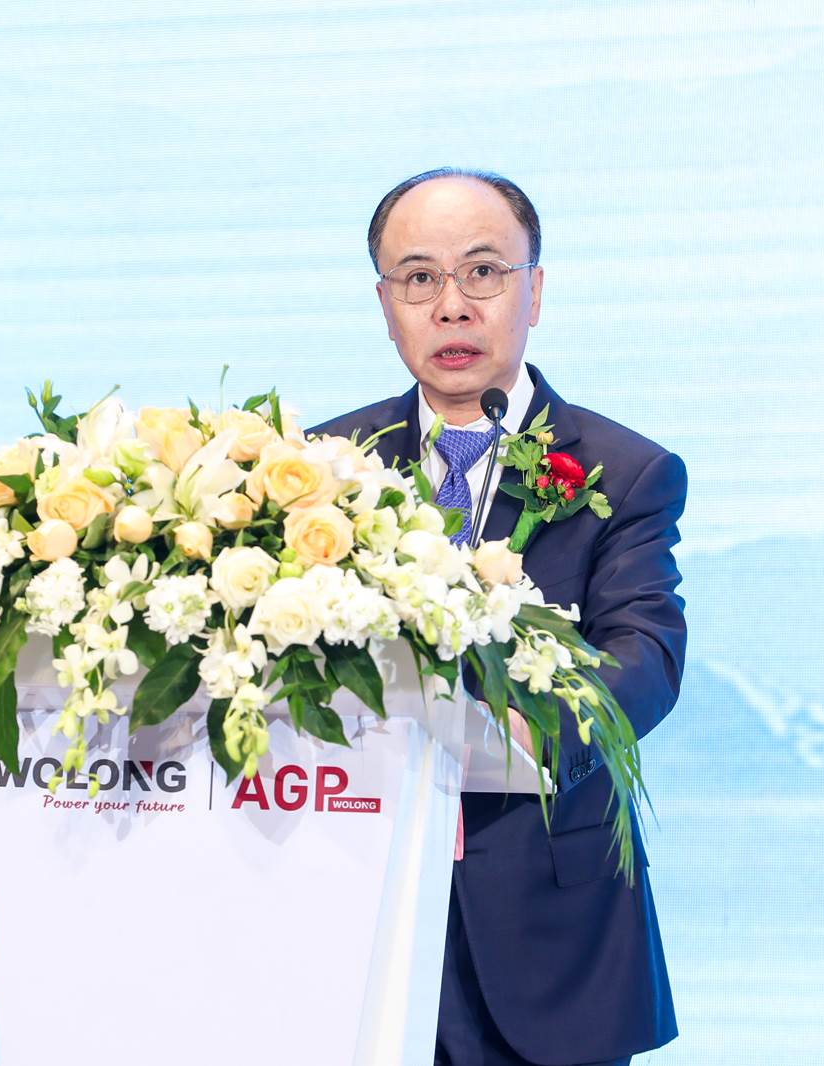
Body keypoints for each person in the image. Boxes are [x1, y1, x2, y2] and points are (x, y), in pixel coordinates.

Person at [310, 169, 688, 1066]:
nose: (452, 305)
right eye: (419, 278)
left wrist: (528, 731)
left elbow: (646, 653)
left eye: (483, 272)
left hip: (547, 926)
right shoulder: (323, 465)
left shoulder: (624, 469)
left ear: (535, 291)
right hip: (353, 910)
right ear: (385, 304)